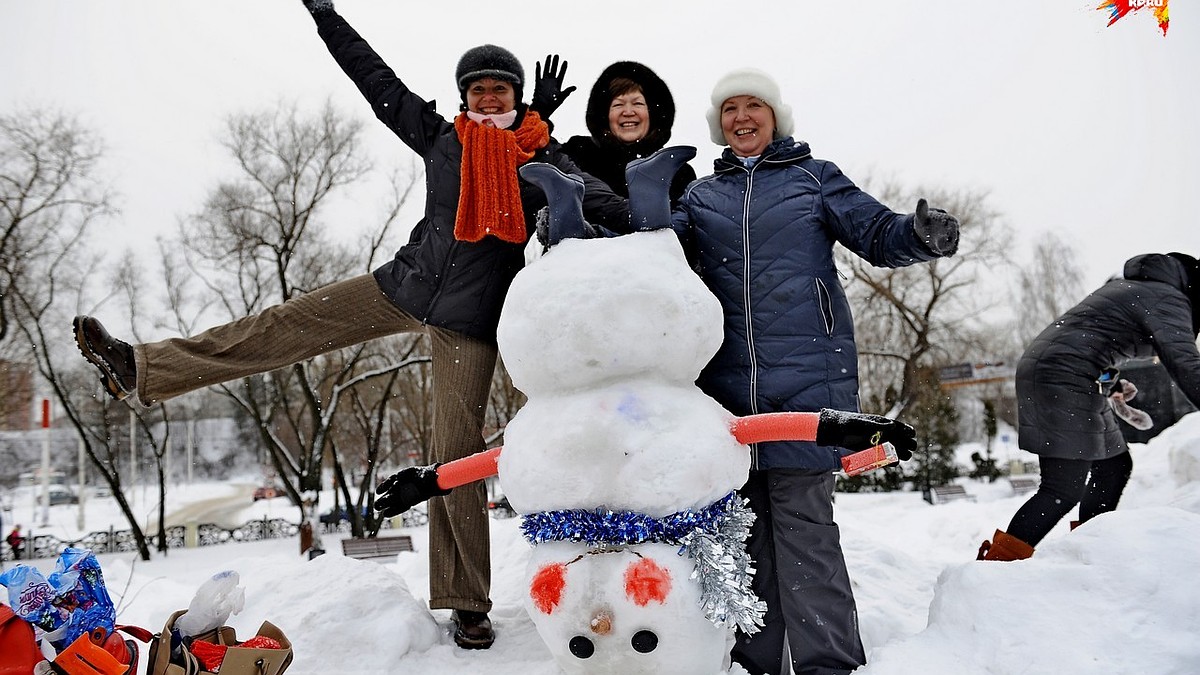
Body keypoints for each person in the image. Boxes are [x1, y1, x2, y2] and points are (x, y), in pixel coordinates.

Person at [73, 0, 629, 650]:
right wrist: (326, 16)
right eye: (477, 88)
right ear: (463, 97)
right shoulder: (441, 136)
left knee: (454, 449)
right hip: (406, 282)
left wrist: (673, 211)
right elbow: (376, 81)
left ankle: (466, 602)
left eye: (498, 88)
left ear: (515, 97)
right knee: (285, 324)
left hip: (470, 320)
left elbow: (602, 199)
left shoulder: (540, 158)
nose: (486, 96)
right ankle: (142, 369)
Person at [667, 68, 960, 675]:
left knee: (807, 531)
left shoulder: (812, 178)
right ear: (718, 124)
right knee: (743, 539)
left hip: (808, 385)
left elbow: (877, 233)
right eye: (730, 110)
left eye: (754, 106)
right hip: (723, 395)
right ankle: (757, 665)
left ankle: (830, 665)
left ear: (776, 117)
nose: (742, 117)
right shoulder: (700, 197)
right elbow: (657, 254)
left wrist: (919, 237)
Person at [978, 252, 1200, 562]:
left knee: (1113, 466)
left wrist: (1112, 383)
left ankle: (1089, 556)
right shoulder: (1166, 297)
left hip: (1065, 373)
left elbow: (1089, 340)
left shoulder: (1136, 288)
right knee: (1061, 488)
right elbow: (1186, 363)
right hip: (1063, 376)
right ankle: (993, 570)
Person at [532, 59, 696, 204]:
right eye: (618, 104)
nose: (628, 112)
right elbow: (530, 160)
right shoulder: (578, 153)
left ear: (652, 113)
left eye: (637, 103)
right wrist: (538, 114)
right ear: (605, 116)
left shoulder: (677, 171)